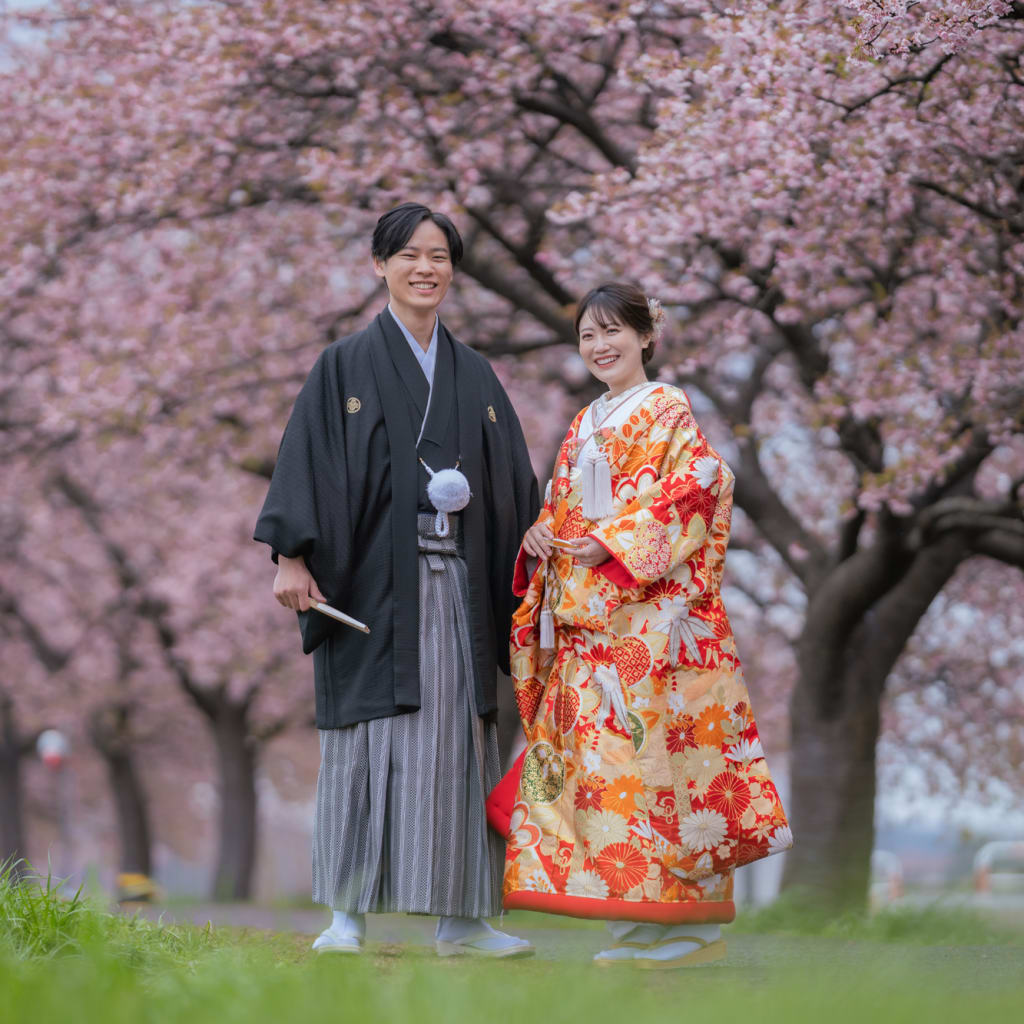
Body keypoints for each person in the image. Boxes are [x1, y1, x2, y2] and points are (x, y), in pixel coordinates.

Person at [255, 203, 538, 958]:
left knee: (458, 744)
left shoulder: (475, 374)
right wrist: (291, 556)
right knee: (364, 741)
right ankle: (346, 916)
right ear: (380, 265)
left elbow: (515, 484)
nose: (427, 268)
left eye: (440, 255)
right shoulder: (343, 365)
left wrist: (540, 546)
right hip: (371, 588)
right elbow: (307, 460)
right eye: (410, 254)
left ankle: (464, 920)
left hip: (455, 587)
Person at [501, 282, 791, 967]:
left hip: (651, 625)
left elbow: (702, 484)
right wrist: (543, 534)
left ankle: (689, 929)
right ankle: (635, 924)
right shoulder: (583, 422)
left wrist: (619, 542)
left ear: (646, 336)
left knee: (662, 768)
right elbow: (567, 508)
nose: (600, 346)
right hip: (591, 628)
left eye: (613, 332)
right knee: (606, 778)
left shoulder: (668, 408)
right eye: (587, 336)